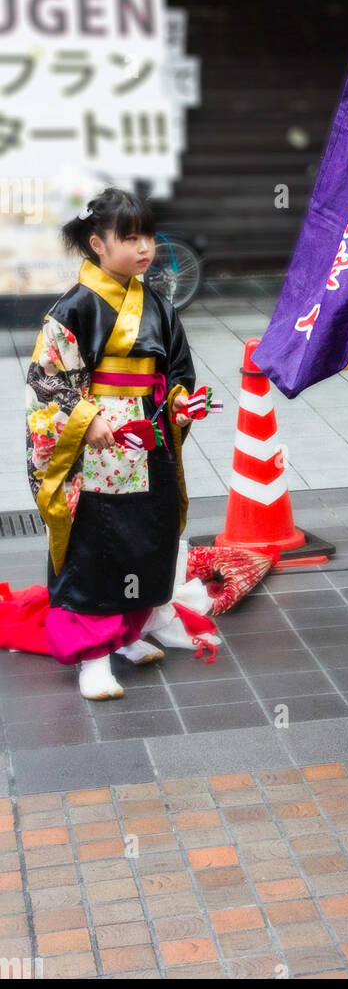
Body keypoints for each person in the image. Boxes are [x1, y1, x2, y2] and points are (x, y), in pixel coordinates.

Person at [25, 187, 209, 701]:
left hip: (145, 440)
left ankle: (127, 634)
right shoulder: (74, 308)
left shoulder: (158, 305)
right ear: (96, 244)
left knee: (144, 535)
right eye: (129, 237)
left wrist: (179, 403)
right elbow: (48, 380)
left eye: (147, 235)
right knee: (94, 546)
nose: (144, 247)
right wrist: (85, 417)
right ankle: (92, 657)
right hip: (94, 443)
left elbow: (177, 370)